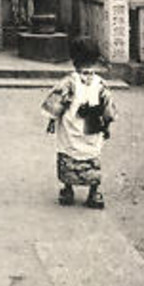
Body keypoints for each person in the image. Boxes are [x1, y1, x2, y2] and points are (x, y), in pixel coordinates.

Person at [41, 35, 116, 208]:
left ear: (73, 59)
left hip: (71, 125)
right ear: (96, 60)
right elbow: (108, 107)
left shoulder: (68, 82)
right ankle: (94, 192)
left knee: (68, 153)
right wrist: (107, 125)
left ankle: (68, 189)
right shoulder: (101, 84)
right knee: (92, 155)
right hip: (92, 124)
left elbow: (57, 103)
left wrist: (52, 120)